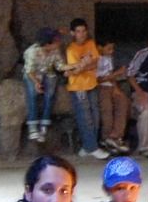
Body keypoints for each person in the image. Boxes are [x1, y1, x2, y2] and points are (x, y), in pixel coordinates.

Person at [65, 18, 105, 158]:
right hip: (78, 87)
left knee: (95, 116)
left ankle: (88, 147)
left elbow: (94, 65)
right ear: (72, 33)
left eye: (83, 31)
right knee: (85, 117)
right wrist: (80, 67)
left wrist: (81, 66)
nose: (81, 34)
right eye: (78, 31)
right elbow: (75, 70)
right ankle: (93, 148)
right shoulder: (71, 49)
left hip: (91, 84)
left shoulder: (90, 44)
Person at [21, 28, 64, 145]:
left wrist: (76, 65)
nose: (59, 42)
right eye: (56, 40)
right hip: (33, 74)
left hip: (47, 73)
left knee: (50, 94)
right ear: (48, 43)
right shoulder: (31, 52)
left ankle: (44, 125)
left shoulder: (55, 50)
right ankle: (33, 126)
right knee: (32, 94)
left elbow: (60, 66)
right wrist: (36, 83)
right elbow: (29, 70)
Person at [96, 39, 131, 155]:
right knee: (107, 109)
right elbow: (98, 79)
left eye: (112, 49)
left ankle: (116, 136)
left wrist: (116, 88)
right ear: (99, 47)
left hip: (110, 86)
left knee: (123, 102)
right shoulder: (95, 58)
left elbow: (110, 75)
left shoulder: (108, 58)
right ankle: (106, 138)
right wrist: (117, 73)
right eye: (108, 49)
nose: (111, 51)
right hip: (100, 87)